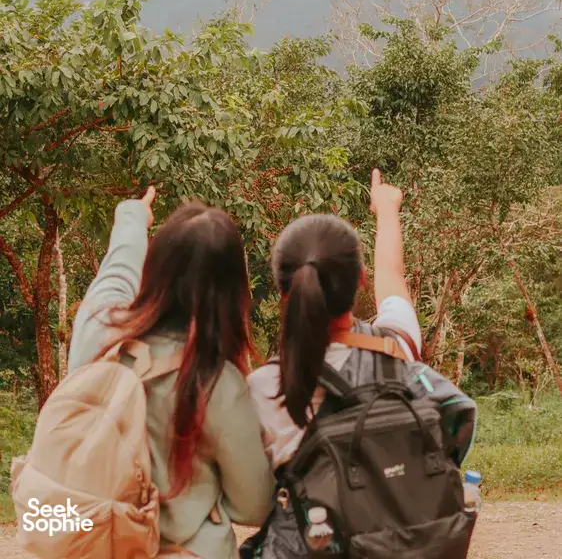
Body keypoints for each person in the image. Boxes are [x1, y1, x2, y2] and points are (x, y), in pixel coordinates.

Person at [68, 188, 274, 559]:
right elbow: (254, 505)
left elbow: (116, 274)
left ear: (156, 268)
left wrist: (132, 218)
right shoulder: (217, 382)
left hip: (96, 545)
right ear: (232, 293)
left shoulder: (101, 329)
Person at [247, 167, 421, 475]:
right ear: (361, 279)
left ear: (284, 293)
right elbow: (392, 275)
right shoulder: (396, 348)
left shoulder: (264, 389)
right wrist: (386, 209)